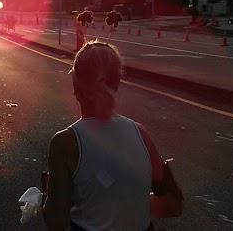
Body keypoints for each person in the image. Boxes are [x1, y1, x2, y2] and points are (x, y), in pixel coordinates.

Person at [42, 41, 183, 231]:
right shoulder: (140, 133)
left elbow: (56, 222)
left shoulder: (64, 142)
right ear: (116, 85)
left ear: (75, 87)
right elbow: (173, 206)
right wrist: (129, 198)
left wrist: (46, 195)